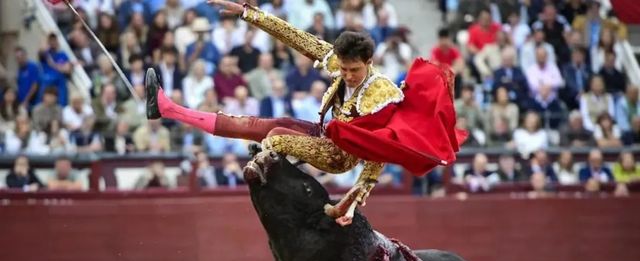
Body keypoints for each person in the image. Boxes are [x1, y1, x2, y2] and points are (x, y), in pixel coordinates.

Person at [146, 0, 465, 225]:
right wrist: (247, 13)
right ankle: (168, 108)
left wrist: (358, 194)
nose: (348, 75)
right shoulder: (340, 64)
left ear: (369, 63)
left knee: (277, 141)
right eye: (343, 68)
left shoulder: (380, 91)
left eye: (354, 69)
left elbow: (382, 146)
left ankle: (287, 203)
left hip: (341, 156)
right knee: (256, 125)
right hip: (324, 132)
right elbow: (297, 37)